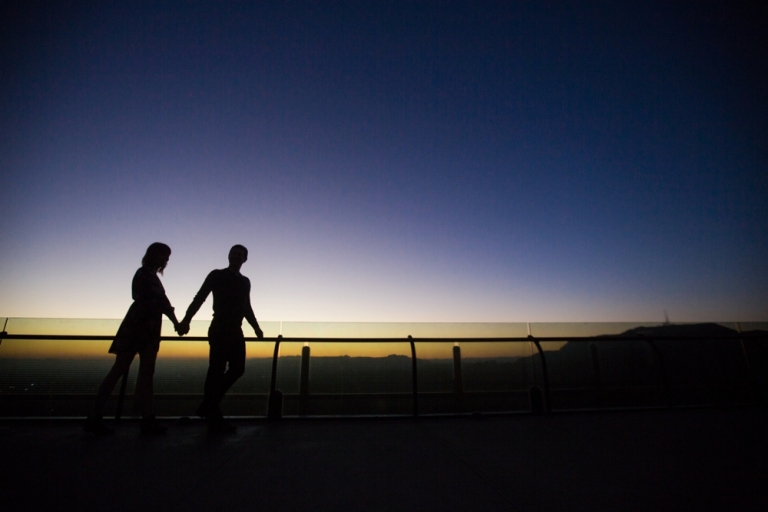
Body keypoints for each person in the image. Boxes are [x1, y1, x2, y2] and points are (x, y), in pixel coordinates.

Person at [84, 243, 182, 435]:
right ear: (154, 255)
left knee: (128, 371)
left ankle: (98, 417)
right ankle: (144, 419)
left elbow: (160, 302)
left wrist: (175, 321)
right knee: (137, 372)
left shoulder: (146, 274)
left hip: (140, 327)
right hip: (143, 327)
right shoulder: (146, 274)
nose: (166, 260)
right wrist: (176, 323)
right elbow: (160, 302)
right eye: (164, 255)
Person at [177, 244, 264, 433]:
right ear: (229, 256)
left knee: (236, 369)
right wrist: (186, 320)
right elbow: (200, 297)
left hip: (235, 330)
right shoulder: (216, 275)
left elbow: (246, 306)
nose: (236, 256)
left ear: (245, 259)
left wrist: (256, 327)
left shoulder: (245, 282)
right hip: (220, 328)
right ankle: (213, 414)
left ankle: (209, 406)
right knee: (216, 370)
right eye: (234, 253)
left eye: (240, 254)